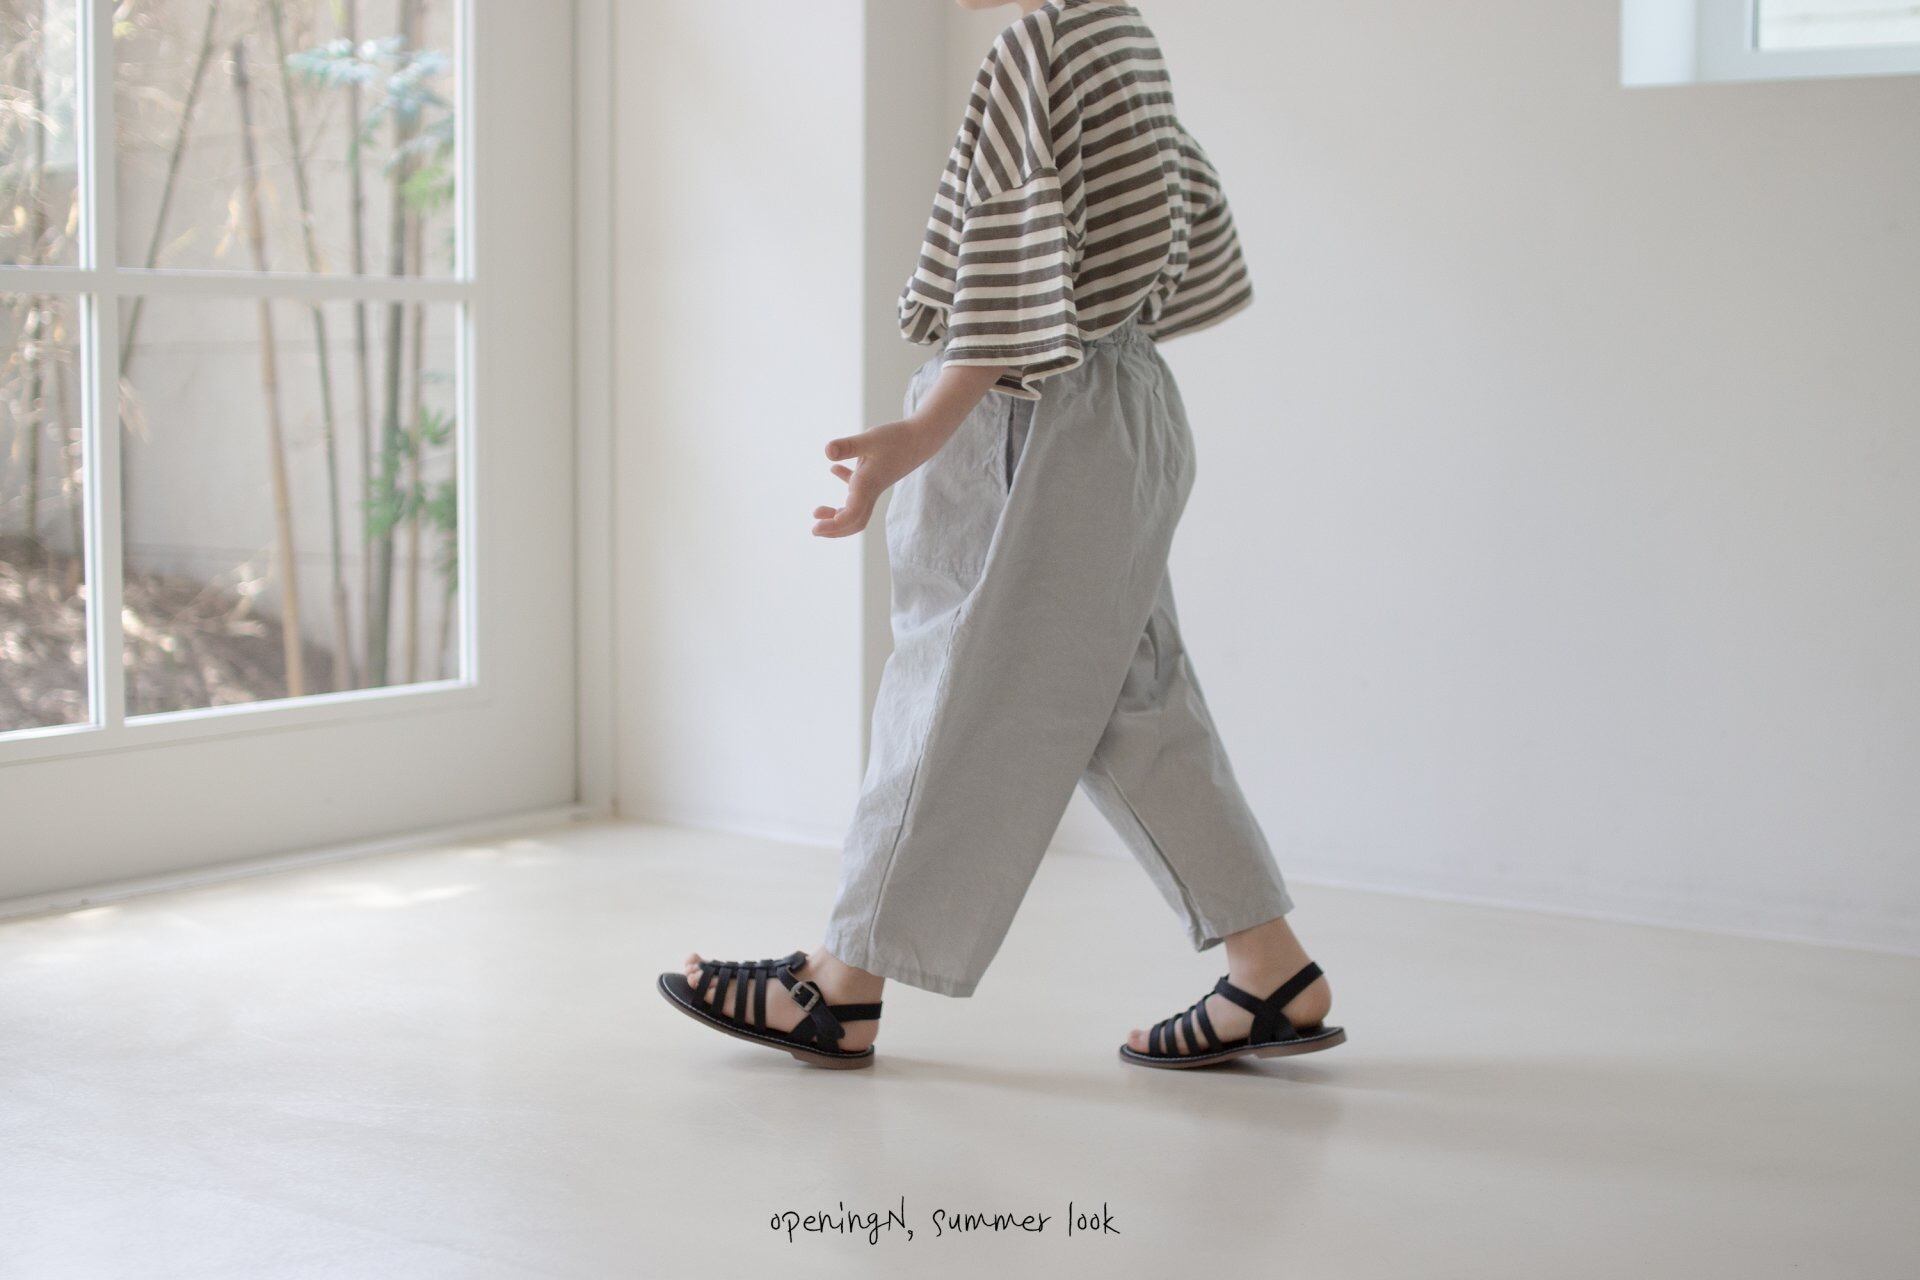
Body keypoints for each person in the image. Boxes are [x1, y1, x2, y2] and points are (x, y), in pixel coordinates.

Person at [658, 0, 1344, 1071]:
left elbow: (1013, 265)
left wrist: (923, 431)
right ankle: (1273, 970)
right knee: (1135, 700)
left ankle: (838, 986)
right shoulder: (1120, 30)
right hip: (1127, 405)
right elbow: (1183, 226)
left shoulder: (1039, 40)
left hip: (1036, 413)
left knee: (952, 687)